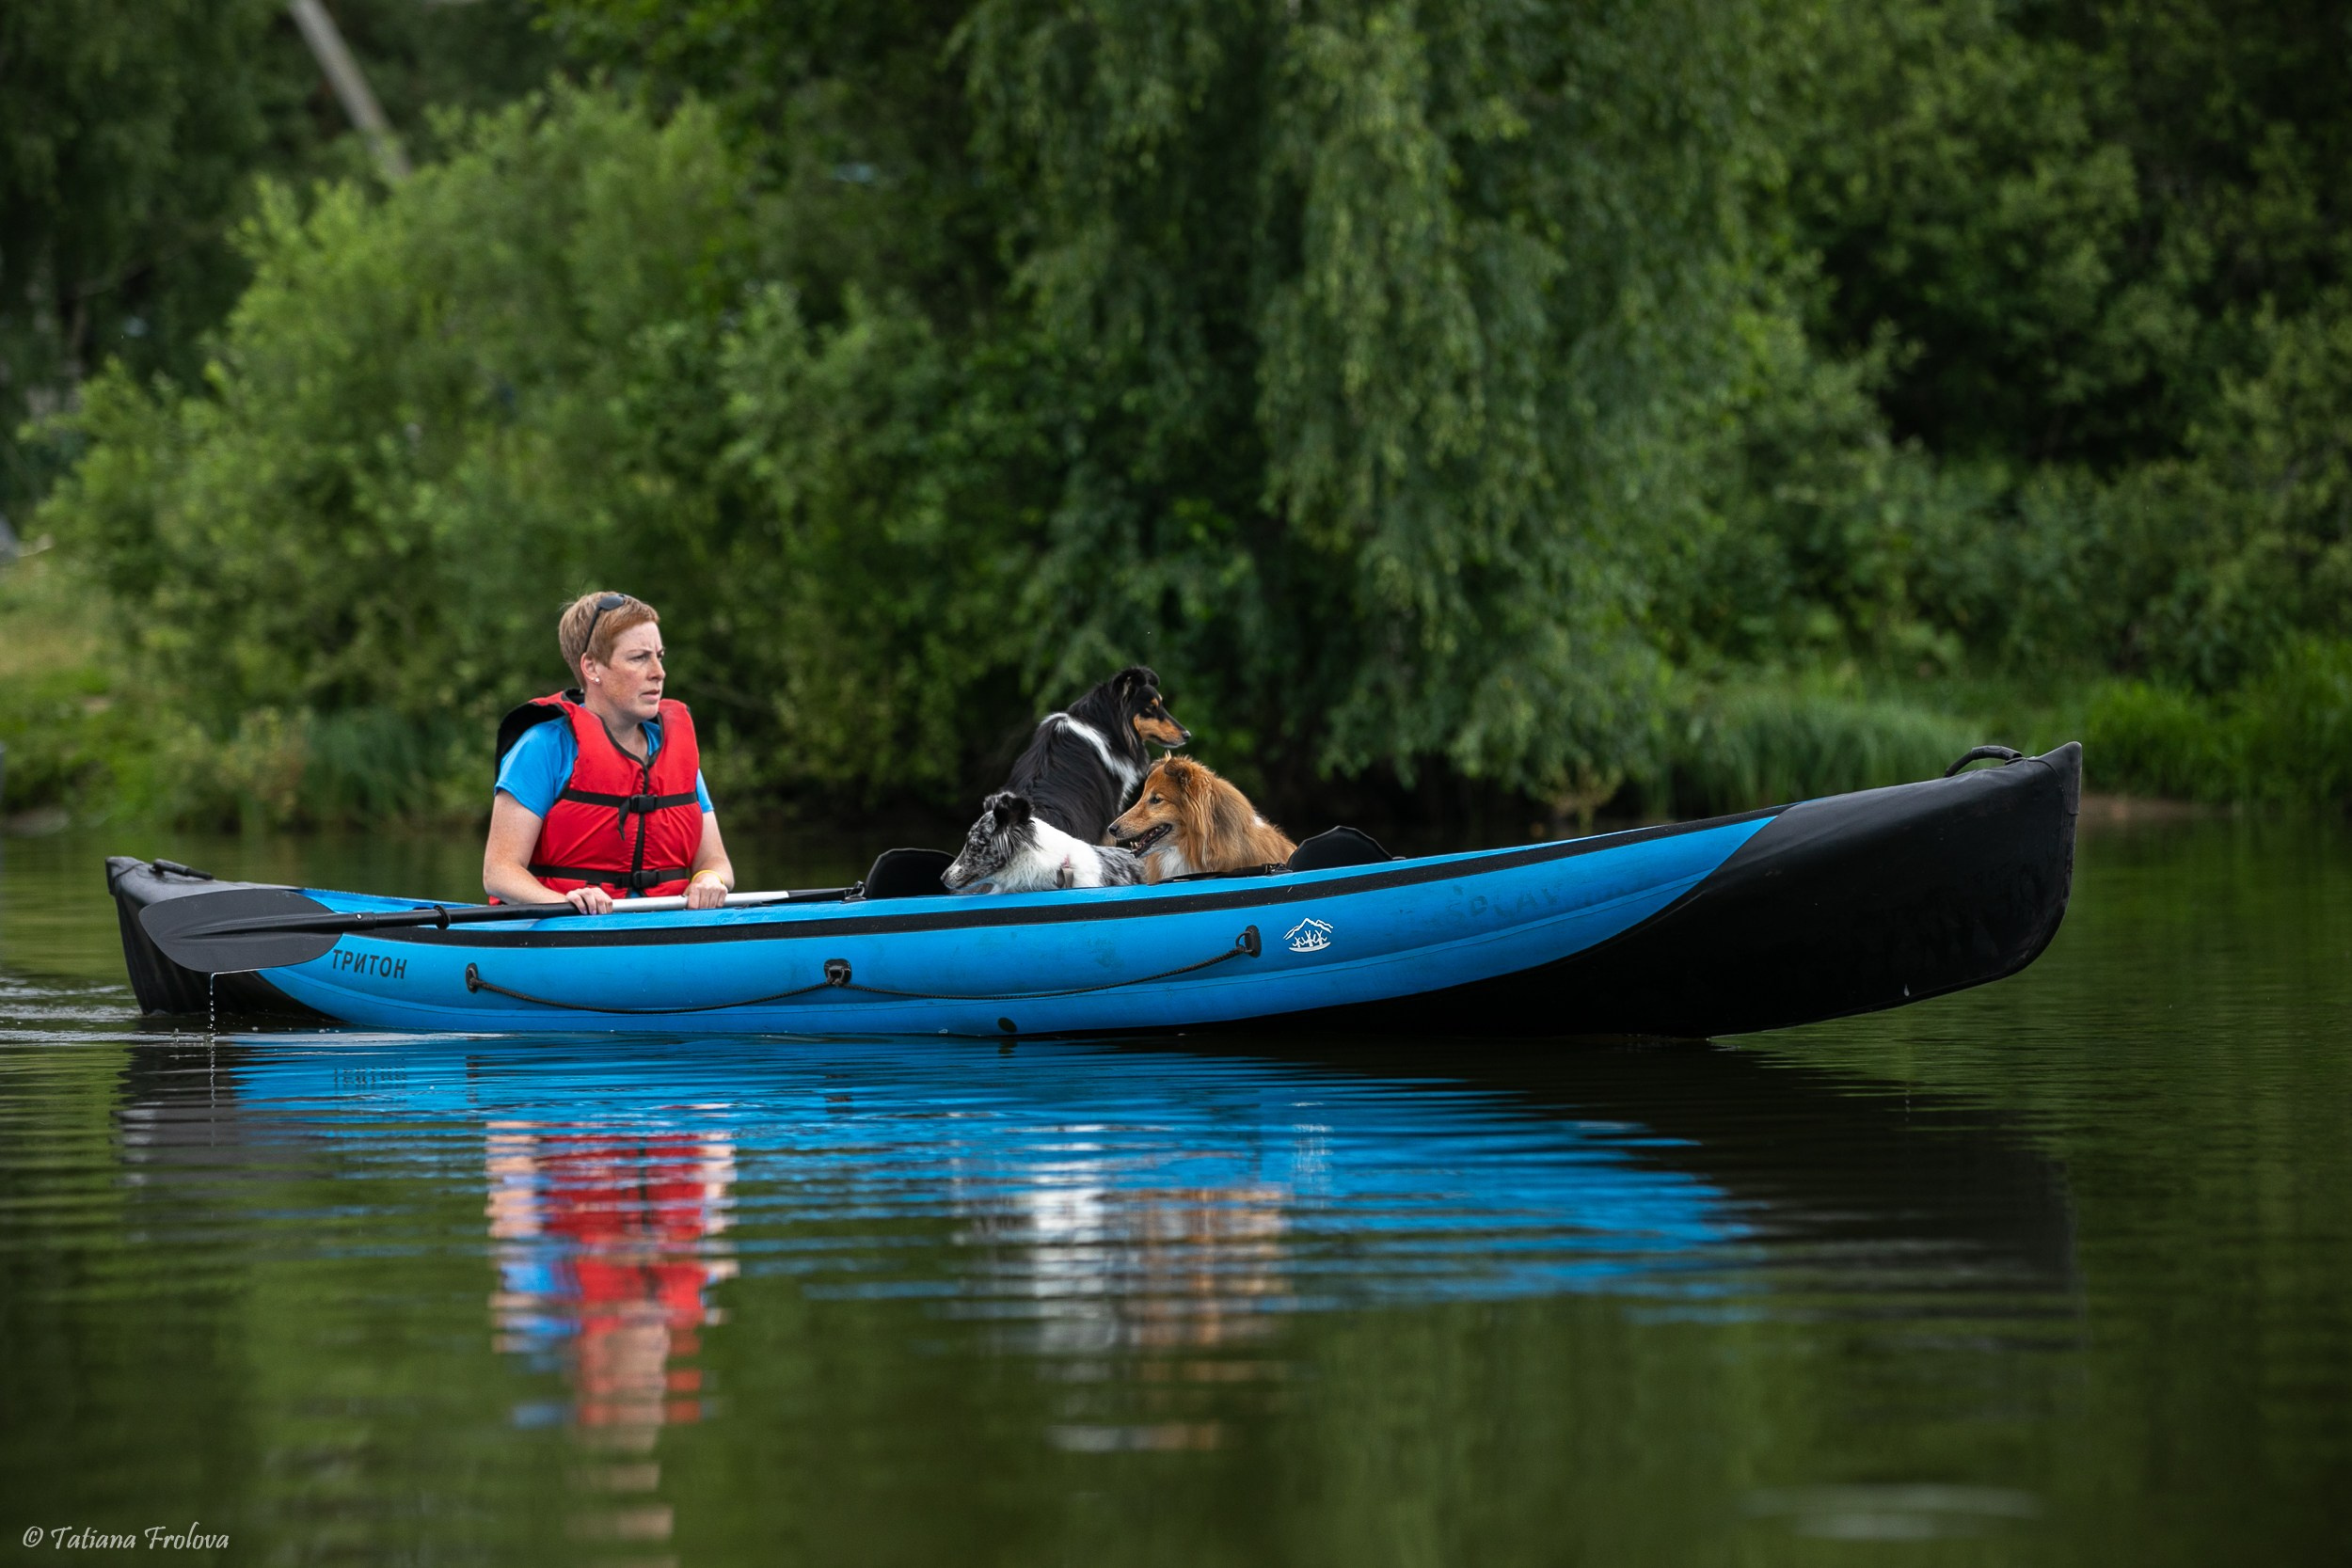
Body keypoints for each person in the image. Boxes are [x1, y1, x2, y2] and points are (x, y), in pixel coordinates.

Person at [484, 592, 737, 913]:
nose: (658, 672)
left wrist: (708, 879)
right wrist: (565, 904)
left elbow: (716, 861)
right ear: (591, 667)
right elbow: (499, 872)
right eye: (639, 658)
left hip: (667, 926)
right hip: (568, 928)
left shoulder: (673, 750)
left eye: (659, 656)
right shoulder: (544, 747)